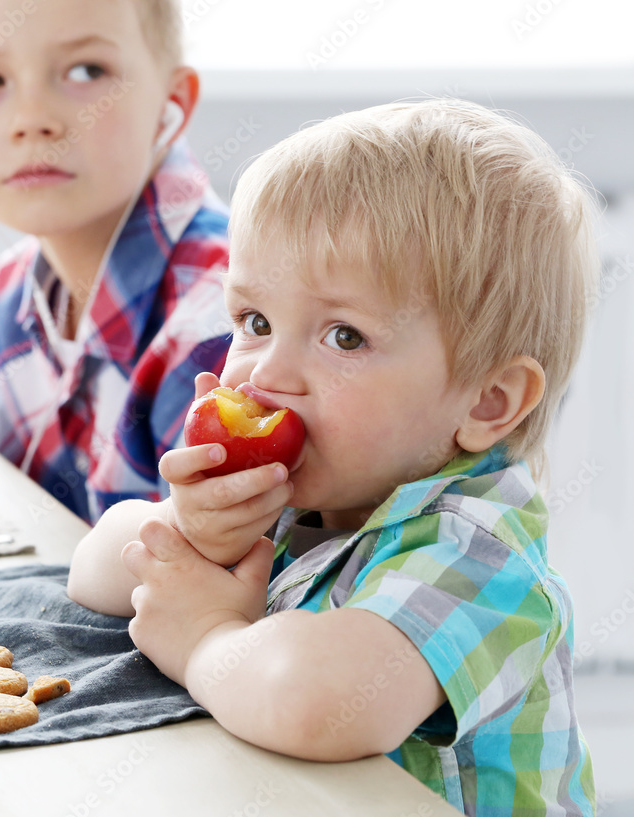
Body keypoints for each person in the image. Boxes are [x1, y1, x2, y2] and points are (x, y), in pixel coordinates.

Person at [67, 99, 600, 816]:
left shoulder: (478, 556)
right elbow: (93, 571)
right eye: (255, 322)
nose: (264, 376)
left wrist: (203, 638)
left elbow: (315, 703)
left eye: (344, 337)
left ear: (486, 401)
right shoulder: (318, 486)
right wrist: (192, 534)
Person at [0, 0, 232, 523]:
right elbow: (41, 543)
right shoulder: (16, 289)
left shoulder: (223, 321)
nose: (31, 119)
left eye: (87, 71)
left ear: (170, 103)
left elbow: (211, 581)